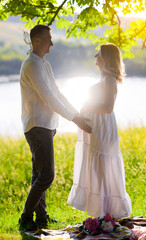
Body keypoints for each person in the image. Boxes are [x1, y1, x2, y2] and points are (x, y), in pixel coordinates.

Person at [19, 24, 92, 231]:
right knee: (47, 176)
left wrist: (77, 113)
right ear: (37, 41)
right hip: (37, 126)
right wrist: (74, 119)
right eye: (48, 39)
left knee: (39, 174)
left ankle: (41, 217)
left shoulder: (44, 64)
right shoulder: (31, 65)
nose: (52, 42)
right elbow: (49, 98)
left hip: (47, 126)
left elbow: (58, 93)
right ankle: (25, 218)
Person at [67, 43, 132, 218]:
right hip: (96, 127)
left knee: (103, 167)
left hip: (103, 128)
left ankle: (108, 212)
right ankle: (102, 212)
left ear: (106, 58)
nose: (95, 56)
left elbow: (108, 107)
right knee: (97, 168)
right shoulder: (104, 79)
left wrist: (87, 105)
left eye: (99, 54)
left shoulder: (110, 79)